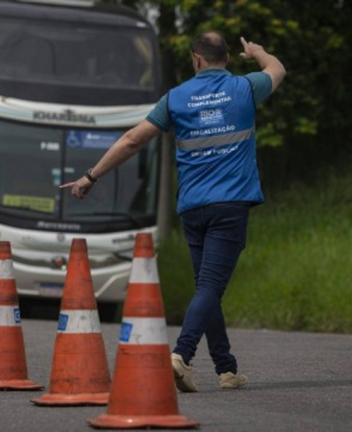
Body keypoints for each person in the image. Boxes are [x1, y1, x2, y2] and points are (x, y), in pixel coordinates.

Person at [60, 31, 286, 392]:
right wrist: (258, 51)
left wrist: (91, 176)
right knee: (210, 288)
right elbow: (277, 69)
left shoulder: (176, 98)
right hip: (229, 207)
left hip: (193, 209)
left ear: (196, 59)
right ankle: (180, 355)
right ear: (226, 58)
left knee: (206, 289)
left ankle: (227, 370)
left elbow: (132, 140)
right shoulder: (245, 89)